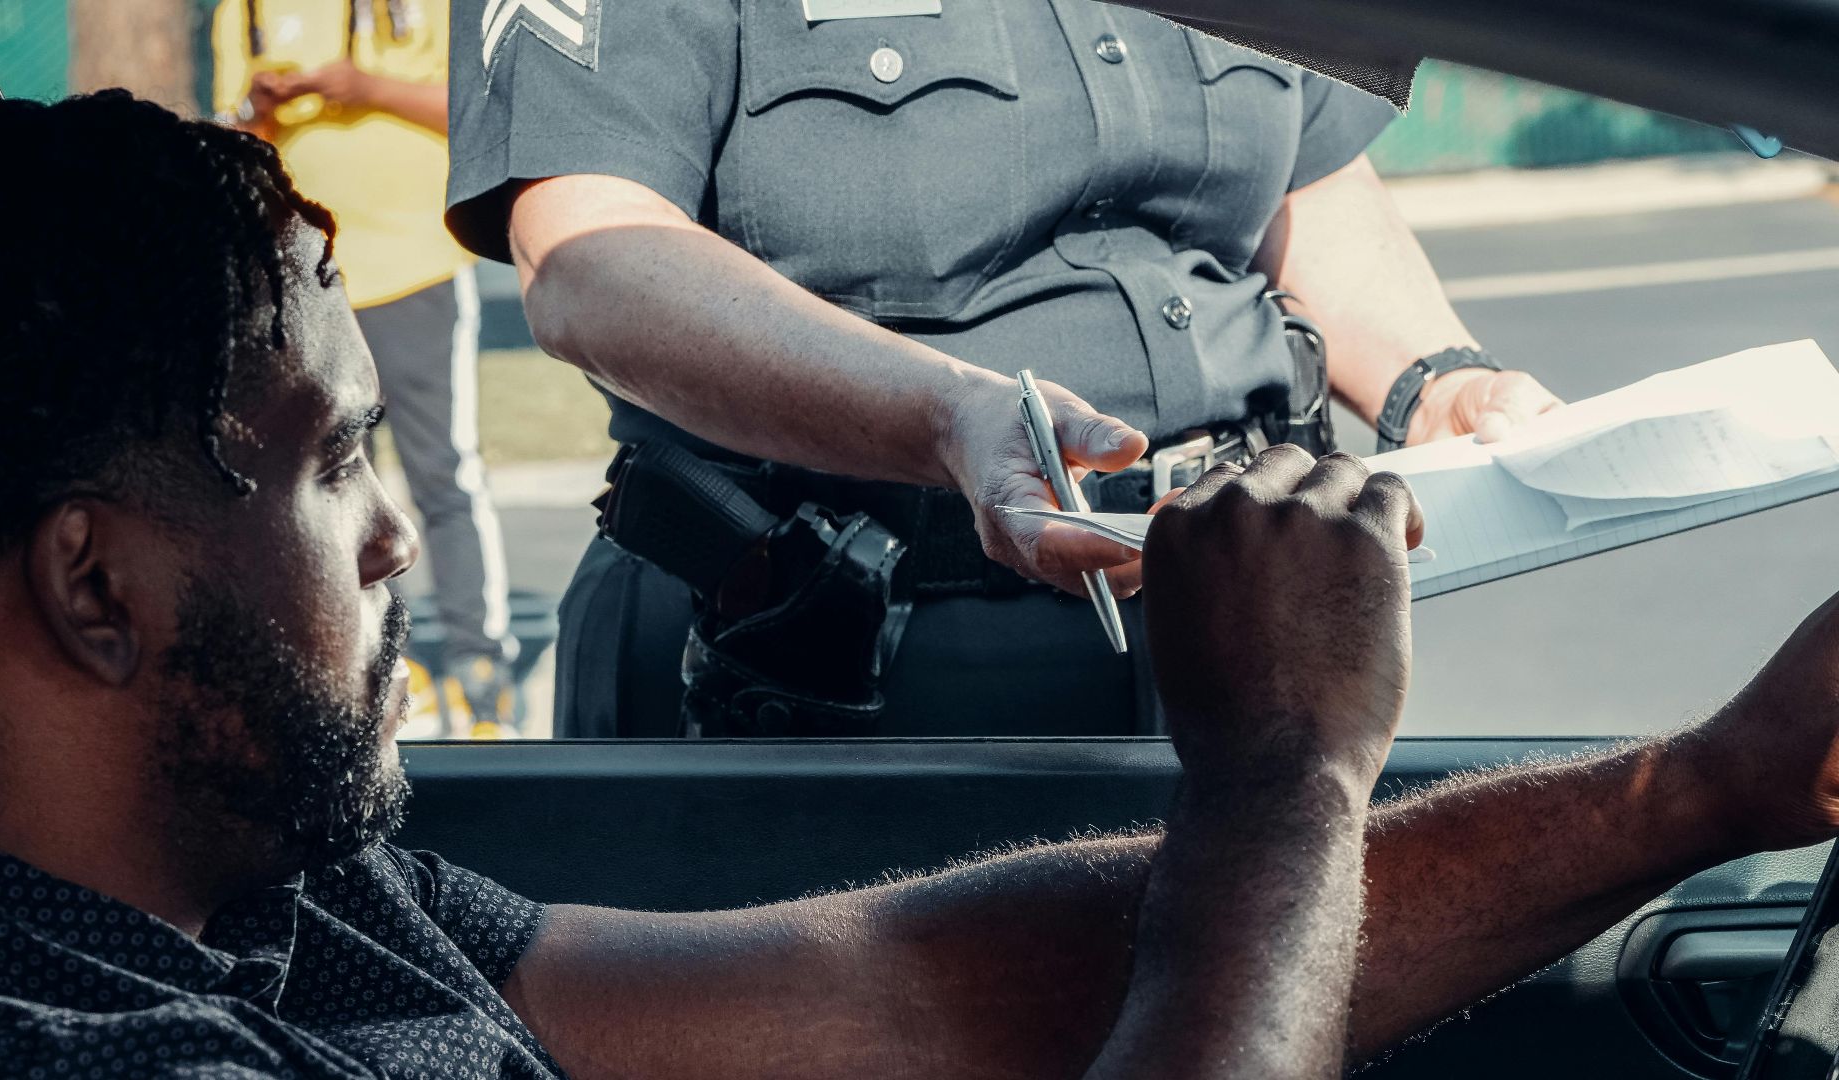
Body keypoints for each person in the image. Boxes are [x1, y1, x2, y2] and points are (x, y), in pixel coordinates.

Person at [0, 89, 1839, 1079]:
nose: (404, 537)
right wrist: (1283, 784)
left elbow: (912, 1000)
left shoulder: (276, 897)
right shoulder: (47, 1044)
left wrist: (1709, 786)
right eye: (340, 461)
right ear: (95, 585)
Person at [443, 0, 1565, 737]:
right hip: (832, 659)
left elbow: (1302, 172)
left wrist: (1439, 380)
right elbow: (591, 259)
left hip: (1258, 614)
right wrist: (944, 417)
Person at [213, 0, 521, 736]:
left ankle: (483, 678)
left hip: (415, 269)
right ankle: (376, 669)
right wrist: (259, 109)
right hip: (310, 281)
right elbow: (239, 139)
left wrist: (364, 87)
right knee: (325, 484)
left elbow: (482, 117)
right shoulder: (245, 9)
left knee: (443, 474)